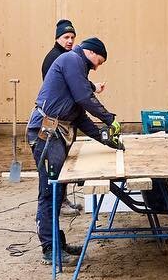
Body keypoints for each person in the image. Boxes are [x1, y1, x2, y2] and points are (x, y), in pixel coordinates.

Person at [27, 37, 122, 265]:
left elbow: (79, 115)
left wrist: (105, 138)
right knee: (50, 193)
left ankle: (58, 244)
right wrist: (109, 119)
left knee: (58, 193)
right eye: (98, 62)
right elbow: (84, 98)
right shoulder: (71, 60)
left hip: (56, 133)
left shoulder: (78, 68)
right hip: (45, 133)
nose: (97, 67)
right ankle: (50, 249)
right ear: (90, 52)